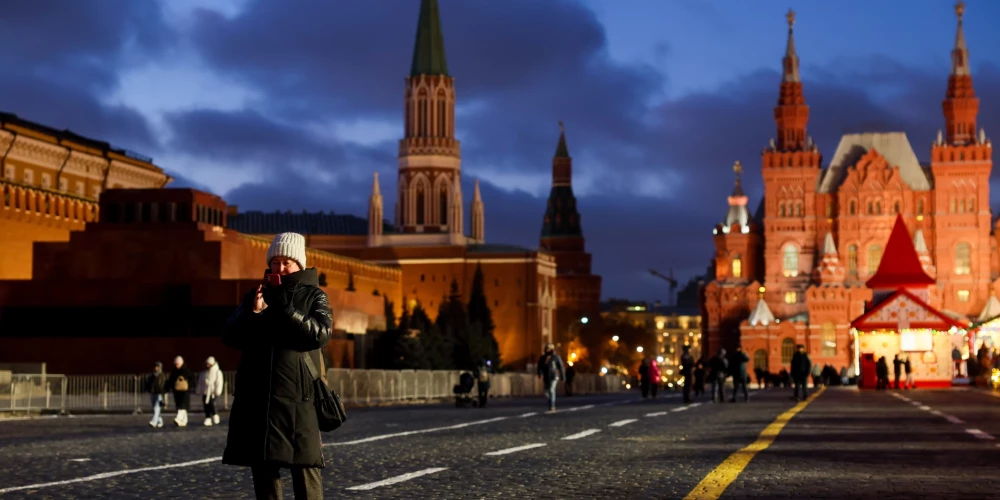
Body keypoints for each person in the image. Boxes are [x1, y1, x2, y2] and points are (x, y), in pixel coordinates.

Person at [222, 232, 333, 500]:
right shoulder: (256, 295)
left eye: (287, 262)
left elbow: (320, 334)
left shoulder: (314, 296)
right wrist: (253, 313)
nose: (280, 268)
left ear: (299, 264)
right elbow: (230, 336)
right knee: (264, 473)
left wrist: (287, 310)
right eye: (275, 262)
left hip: (299, 401)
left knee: (305, 468)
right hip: (259, 400)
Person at [537, 343, 565, 412]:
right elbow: (539, 366)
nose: (547, 350)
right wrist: (540, 374)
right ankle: (550, 402)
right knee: (546, 391)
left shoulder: (556, 357)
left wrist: (563, 377)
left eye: (549, 349)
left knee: (551, 390)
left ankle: (552, 406)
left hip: (554, 376)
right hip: (546, 377)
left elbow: (561, 367)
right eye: (546, 349)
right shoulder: (542, 357)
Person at [197, 356, 225, 426]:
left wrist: (218, 390)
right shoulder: (204, 372)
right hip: (205, 391)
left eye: (209, 364)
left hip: (212, 391)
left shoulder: (217, 372)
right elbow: (200, 382)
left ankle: (215, 414)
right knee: (206, 405)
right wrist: (198, 390)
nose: (207, 365)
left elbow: (219, 382)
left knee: (211, 403)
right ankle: (208, 418)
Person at [167, 356, 194, 427]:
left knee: (182, 406)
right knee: (180, 406)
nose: (177, 365)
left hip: (185, 391)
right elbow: (171, 380)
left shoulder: (186, 371)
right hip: (176, 392)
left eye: (178, 364)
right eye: (176, 364)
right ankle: (184, 421)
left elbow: (191, 379)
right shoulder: (174, 371)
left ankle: (178, 418)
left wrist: (189, 386)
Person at [146, 361, 168, 428]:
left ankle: (154, 421)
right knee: (154, 408)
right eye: (155, 367)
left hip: (159, 393)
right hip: (153, 393)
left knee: (157, 407)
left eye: (157, 367)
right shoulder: (152, 376)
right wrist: (148, 389)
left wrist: (163, 392)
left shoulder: (162, 376)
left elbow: (163, 385)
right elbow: (149, 383)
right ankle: (160, 421)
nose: (156, 368)